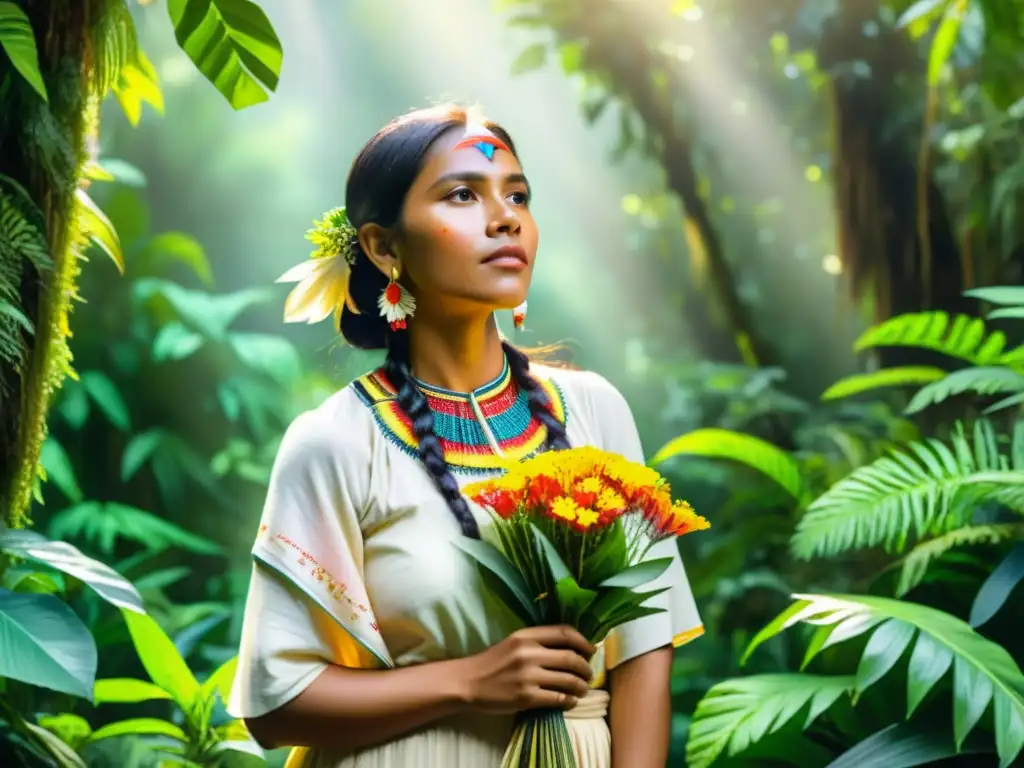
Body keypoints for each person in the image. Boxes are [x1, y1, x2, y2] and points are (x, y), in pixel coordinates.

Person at [227, 103, 704, 768]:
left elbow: (646, 649)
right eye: (462, 195)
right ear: (384, 247)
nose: (505, 216)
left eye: (517, 195)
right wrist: (470, 682)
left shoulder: (594, 413)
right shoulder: (335, 443)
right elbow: (275, 707)